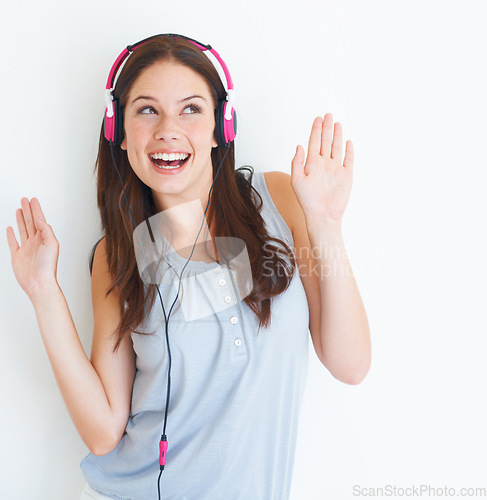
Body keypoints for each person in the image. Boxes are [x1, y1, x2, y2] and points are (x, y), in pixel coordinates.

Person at [6, 34, 371, 500]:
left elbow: (351, 363)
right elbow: (103, 432)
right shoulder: (119, 256)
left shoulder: (280, 199)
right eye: (146, 110)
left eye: (191, 109)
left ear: (223, 125)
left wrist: (325, 225)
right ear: (118, 130)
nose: (167, 130)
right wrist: (43, 293)